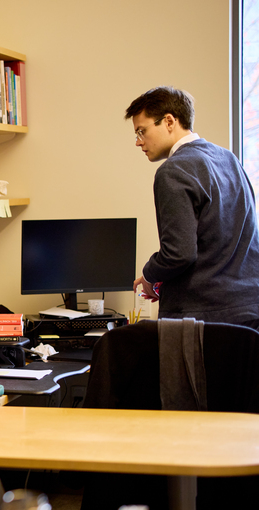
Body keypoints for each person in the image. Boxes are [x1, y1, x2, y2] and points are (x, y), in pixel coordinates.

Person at [126, 86, 259, 329]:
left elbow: (179, 254)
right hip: (249, 312)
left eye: (142, 131)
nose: (138, 142)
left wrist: (149, 276)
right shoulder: (230, 159)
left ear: (169, 121)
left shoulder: (174, 171)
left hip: (202, 321)